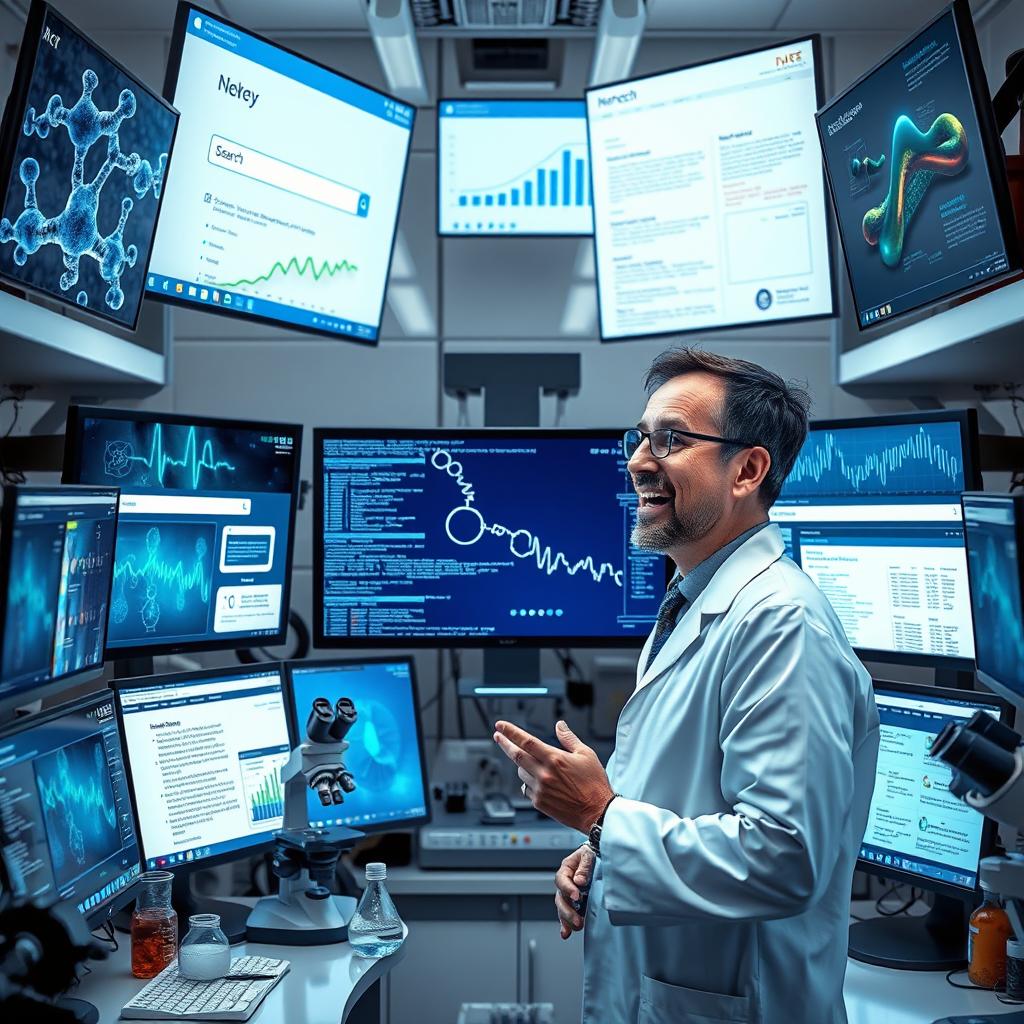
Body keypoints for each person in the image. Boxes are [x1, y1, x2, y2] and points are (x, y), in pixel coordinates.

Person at [493, 347, 879, 1024]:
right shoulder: (692, 600)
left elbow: (783, 858)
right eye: (639, 438)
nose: (639, 460)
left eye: (671, 440)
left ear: (748, 470)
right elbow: (693, 803)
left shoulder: (782, 625)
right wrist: (601, 852)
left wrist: (602, 816)